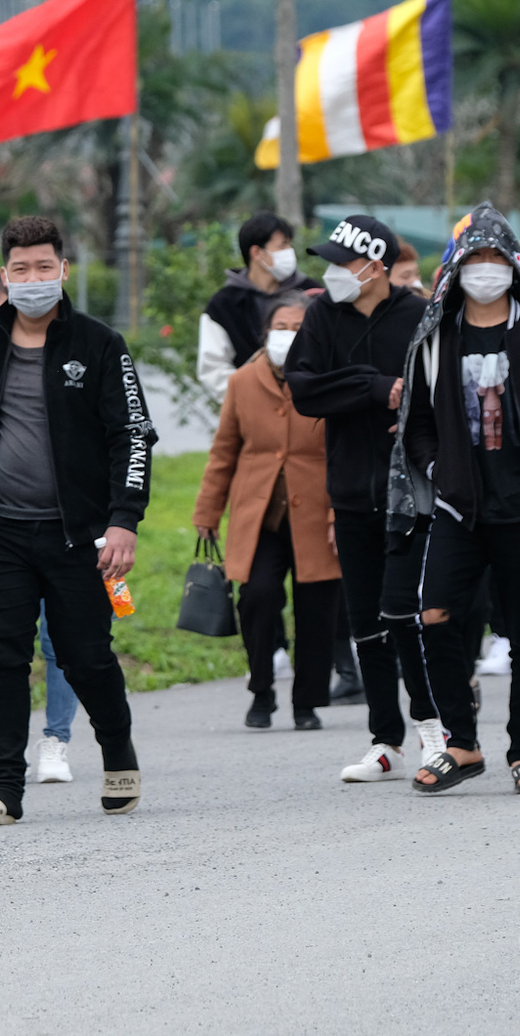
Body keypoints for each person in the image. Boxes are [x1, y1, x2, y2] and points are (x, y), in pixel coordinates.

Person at [0, 215, 157, 827]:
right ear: (5, 274)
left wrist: (124, 521)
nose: (32, 279)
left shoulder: (100, 345)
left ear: (63, 270)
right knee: (1, 654)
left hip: (77, 534)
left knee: (85, 656)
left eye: (43, 267)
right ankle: (5, 788)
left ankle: (116, 748)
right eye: (20, 269)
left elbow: (133, 433)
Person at [394, 204, 520, 795]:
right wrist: (439, 468)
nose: (484, 270)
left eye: (494, 259)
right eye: (473, 259)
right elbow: (417, 422)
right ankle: (462, 742)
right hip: (460, 508)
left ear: (512, 266)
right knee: (433, 614)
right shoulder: (437, 336)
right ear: (456, 268)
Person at [284, 214, 442, 780]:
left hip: (412, 496)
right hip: (349, 491)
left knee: (406, 615)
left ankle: (433, 729)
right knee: (367, 623)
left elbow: (437, 389)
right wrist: (376, 388)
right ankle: (385, 741)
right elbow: (304, 388)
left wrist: (412, 410)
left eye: (341, 263)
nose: (331, 274)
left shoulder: (420, 315)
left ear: (375, 266)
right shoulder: (322, 316)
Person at [195, 290, 340, 730]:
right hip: (259, 515)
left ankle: (307, 702)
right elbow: (224, 451)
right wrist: (207, 513)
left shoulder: (327, 376)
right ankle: (261, 690)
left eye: (298, 328)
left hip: (316, 511)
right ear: (265, 332)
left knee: (317, 608)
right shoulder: (242, 381)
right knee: (256, 598)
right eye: (281, 328)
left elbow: (343, 450)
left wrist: (338, 514)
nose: (288, 336)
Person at [0, 275, 84, 785]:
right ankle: (6, 751)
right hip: (4, 529)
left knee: (63, 643)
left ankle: (57, 739)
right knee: (5, 647)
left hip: (69, 530)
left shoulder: (79, 355)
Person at [197, 211, 320, 401]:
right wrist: (251, 399)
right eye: (282, 245)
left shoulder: (312, 293)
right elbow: (213, 368)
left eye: (289, 244)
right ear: (256, 253)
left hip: (308, 408)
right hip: (249, 410)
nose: (289, 251)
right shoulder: (224, 304)